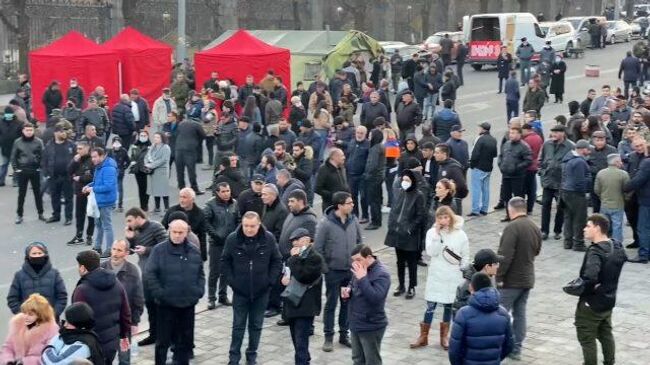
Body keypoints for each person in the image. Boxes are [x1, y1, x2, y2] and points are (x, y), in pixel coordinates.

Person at [222, 211, 282, 365]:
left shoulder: (268, 239)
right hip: (240, 292)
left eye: (252, 226)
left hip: (261, 292)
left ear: (259, 224)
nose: (249, 229)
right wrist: (232, 282)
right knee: (238, 326)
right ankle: (233, 358)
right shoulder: (233, 239)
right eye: (246, 226)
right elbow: (225, 261)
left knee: (256, 326)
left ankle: (252, 355)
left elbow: (276, 261)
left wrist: (270, 281)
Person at [145, 219, 205, 365]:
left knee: (184, 341)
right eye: (174, 232)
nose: (177, 235)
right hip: (166, 305)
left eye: (180, 232)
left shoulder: (193, 250)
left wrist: (198, 292)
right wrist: (161, 294)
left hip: (187, 304)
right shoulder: (159, 250)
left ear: (186, 233)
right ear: (169, 231)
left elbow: (200, 273)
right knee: (162, 342)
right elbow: (150, 274)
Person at [410, 206, 469, 350]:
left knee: (448, 305)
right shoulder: (431, 233)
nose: (443, 220)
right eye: (440, 218)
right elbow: (431, 252)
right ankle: (423, 336)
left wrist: (462, 269)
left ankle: (444, 337)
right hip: (436, 273)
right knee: (431, 305)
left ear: (451, 217)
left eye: (446, 217)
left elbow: (466, 254)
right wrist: (437, 235)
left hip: (452, 274)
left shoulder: (460, 234)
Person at [574, 214, 627, 365]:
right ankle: (610, 362)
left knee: (587, 338)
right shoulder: (616, 246)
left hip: (591, 304)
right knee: (606, 334)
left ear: (597, 228)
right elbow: (622, 259)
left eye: (588, 226)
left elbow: (590, 277)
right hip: (608, 300)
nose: (584, 229)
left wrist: (588, 286)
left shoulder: (595, 251)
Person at [314, 191, 362, 352]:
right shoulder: (325, 224)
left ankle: (344, 334)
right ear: (340, 205)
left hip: (349, 271)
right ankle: (328, 336)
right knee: (331, 303)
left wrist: (358, 264)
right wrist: (326, 269)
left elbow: (359, 243)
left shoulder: (353, 220)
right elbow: (318, 248)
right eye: (349, 203)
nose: (352, 205)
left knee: (346, 303)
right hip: (333, 271)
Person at [496, 197, 542, 360]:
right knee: (520, 314)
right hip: (527, 278)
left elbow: (505, 256)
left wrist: (499, 276)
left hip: (511, 281)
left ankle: (497, 346)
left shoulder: (512, 227)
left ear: (510, 209)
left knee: (499, 314)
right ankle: (516, 348)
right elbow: (537, 250)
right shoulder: (534, 227)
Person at [72, 250, 131, 365]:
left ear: (83, 268)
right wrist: (124, 335)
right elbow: (125, 312)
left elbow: (77, 321)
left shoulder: (81, 290)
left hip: (90, 346)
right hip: (111, 343)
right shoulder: (116, 282)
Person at [448, 272, 514, 365]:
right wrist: (496, 359)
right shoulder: (503, 313)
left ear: (471, 288)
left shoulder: (463, 314)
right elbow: (509, 345)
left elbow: (454, 349)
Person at [281, 228, 325, 365]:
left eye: (297, 241)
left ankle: (302, 361)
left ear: (306, 240)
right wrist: (284, 279)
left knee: (301, 342)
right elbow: (288, 274)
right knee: (296, 340)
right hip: (292, 304)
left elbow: (303, 276)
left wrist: (293, 259)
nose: (294, 245)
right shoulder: (294, 257)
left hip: (306, 306)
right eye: (293, 243)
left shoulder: (315, 258)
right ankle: (305, 359)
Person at [341, 245, 390, 365]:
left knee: (372, 361)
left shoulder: (382, 274)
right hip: (356, 322)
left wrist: (363, 278)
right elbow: (352, 285)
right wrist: (347, 291)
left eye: (358, 260)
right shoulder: (360, 269)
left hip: (371, 325)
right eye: (354, 260)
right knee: (357, 359)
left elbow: (376, 298)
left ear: (368, 257)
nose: (355, 263)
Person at [100, 240, 144, 365]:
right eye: (113, 249)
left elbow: (138, 299)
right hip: (105, 324)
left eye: (119, 250)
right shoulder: (101, 269)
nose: (115, 253)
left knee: (124, 358)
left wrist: (134, 321)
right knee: (104, 357)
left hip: (124, 324)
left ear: (126, 253)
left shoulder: (132, 271)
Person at [384, 169, 425, 300]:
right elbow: (394, 211)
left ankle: (411, 286)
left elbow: (420, 215)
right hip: (397, 233)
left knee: (412, 262)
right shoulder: (399, 193)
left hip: (410, 235)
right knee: (399, 261)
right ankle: (401, 285)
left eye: (407, 180)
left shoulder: (418, 195)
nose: (404, 182)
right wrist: (392, 225)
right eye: (403, 180)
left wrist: (410, 228)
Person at [7, 241, 67, 320]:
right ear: (28, 256)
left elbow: (62, 296)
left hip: (50, 321)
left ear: (45, 255)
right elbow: (12, 299)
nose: (37, 256)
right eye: (34, 254)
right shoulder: (19, 275)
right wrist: (24, 315)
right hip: (28, 323)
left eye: (40, 253)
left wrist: (53, 313)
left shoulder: (54, 273)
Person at [204, 182, 239, 309]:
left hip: (230, 243)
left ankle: (223, 296)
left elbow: (239, 220)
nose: (226, 194)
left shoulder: (234, 203)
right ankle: (211, 298)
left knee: (226, 270)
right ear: (218, 192)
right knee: (214, 272)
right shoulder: (210, 204)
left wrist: (235, 235)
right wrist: (215, 236)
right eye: (223, 191)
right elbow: (205, 222)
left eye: (228, 191)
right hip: (216, 244)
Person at [0, 293, 59, 365]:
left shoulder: (51, 330)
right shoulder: (18, 325)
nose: (25, 316)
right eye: (25, 313)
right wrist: (8, 361)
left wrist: (25, 362)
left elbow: (49, 357)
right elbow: (8, 347)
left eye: (30, 314)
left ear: (41, 315)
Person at [539, 125, 575, 240]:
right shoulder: (547, 144)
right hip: (548, 181)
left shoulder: (570, 146)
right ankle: (544, 231)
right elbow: (541, 159)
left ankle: (557, 231)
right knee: (545, 206)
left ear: (563, 133)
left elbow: (573, 163)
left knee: (560, 207)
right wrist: (541, 171)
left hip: (561, 182)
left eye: (556, 132)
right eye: (553, 132)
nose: (554, 135)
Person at [83, 148, 118, 258]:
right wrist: (89, 185)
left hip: (106, 201)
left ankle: (109, 249)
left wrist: (93, 189)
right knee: (99, 225)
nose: (93, 159)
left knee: (107, 225)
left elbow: (108, 186)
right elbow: (97, 181)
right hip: (99, 201)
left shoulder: (108, 169)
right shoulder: (100, 167)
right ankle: (97, 247)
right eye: (92, 157)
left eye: (95, 157)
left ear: (102, 156)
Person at [561, 140, 592, 251]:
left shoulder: (568, 158)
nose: (589, 151)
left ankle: (568, 242)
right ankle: (578, 244)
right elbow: (580, 181)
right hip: (576, 193)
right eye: (588, 149)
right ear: (583, 149)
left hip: (566, 191)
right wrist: (585, 191)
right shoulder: (579, 162)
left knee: (569, 217)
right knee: (580, 219)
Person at [161, 188, 208, 261]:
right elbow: (162, 229)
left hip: (190, 248)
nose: (181, 200)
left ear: (192, 199)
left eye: (184, 197)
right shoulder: (172, 211)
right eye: (180, 197)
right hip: (172, 247)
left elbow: (202, 235)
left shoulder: (200, 213)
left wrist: (203, 256)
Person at [12, 123, 45, 224]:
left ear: (33, 131)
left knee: (37, 193)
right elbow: (14, 157)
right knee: (21, 194)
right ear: (23, 131)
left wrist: (40, 167)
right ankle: (19, 215)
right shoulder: (17, 142)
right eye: (27, 130)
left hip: (35, 170)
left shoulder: (39, 142)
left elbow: (43, 155)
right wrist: (16, 169)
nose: (29, 132)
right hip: (22, 170)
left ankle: (40, 213)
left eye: (31, 130)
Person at [497, 126, 532, 221]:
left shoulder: (524, 146)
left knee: (518, 197)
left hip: (518, 176)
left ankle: (519, 216)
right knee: (506, 196)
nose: (511, 135)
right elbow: (501, 155)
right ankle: (509, 215)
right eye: (510, 133)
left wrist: (517, 167)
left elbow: (528, 160)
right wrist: (500, 165)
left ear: (519, 134)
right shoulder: (507, 144)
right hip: (506, 175)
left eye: (513, 133)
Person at [452, 248, 502, 314]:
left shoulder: (488, 279)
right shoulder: (467, 287)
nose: (498, 266)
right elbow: (461, 315)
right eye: (496, 264)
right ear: (487, 266)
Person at [42, 125, 75, 224]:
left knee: (69, 197)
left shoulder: (71, 145)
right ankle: (56, 215)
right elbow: (44, 160)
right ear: (55, 133)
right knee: (55, 197)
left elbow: (76, 160)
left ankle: (68, 218)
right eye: (61, 131)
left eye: (65, 131)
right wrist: (46, 173)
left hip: (67, 176)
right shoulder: (49, 145)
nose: (64, 133)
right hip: (53, 176)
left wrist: (74, 172)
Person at [594, 154, 629, 245]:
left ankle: (603, 243)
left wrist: (601, 197)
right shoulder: (623, 174)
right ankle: (616, 245)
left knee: (604, 225)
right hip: (618, 204)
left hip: (604, 204)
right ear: (616, 162)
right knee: (617, 226)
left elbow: (596, 189)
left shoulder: (600, 173)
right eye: (620, 161)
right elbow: (628, 189)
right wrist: (626, 199)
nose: (621, 163)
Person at [624, 143, 650, 263]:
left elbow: (638, 180)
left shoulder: (647, 162)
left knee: (643, 227)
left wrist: (624, 187)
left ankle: (643, 254)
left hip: (646, 200)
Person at [469, 122, 498, 216]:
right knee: (486, 189)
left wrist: (472, 165)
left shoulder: (480, 140)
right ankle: (484, 209)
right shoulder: (493, 140)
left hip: (478, 167)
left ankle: (475, 210)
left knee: (476, 188)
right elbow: (495, 154)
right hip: (488, 167)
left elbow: (475, 154)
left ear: (482, 129)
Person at [175, 114, 206, 194]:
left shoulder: (181, 124)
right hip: (190, 150)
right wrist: (196, 141)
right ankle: (194, 189)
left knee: (180, 171)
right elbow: (203, 135)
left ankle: (182, 188)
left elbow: (176, 134)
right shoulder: (197, 124)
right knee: (191, 170)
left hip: (178, 149)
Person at [364, 129, 385, 230]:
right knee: (376, 200)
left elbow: (372, 164)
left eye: (371, 135)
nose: (369, 137)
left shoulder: (375, 148)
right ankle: (377, 220)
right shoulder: (379, 147)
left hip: (373, 178)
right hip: (378, 176)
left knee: (373, 201)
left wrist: (366, 174)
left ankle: (375, 221)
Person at [145, 132, 171, 212]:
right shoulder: (153, 146)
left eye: (158, 137)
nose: (155, 139)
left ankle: (167, 207)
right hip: (153, 171)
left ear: (162, 138)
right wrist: (146, 163)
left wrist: (151, 165)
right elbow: (147, 155)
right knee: (155, 189)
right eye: (155, 137)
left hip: (161, 171)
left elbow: (163, 160)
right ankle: (157, 207)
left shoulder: (166, 147)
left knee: (164, 190)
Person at [521, 124, 543, 214]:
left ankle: (523, 208)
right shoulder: (538, 137)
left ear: (527, 130)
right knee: (532, 188)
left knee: (523, 188)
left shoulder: (526, 140)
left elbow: (523, 154)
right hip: (535, 166)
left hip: (527, 167)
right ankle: (530, 207)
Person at [108, 136, 130, 212]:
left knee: (119, 189)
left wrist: (124, 167)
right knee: (113, 189)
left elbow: (128, 161)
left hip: (119, 172)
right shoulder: (110, 151)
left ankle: (119, 205)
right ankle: (114, 204)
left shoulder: (123, 151)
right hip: (112, 172)